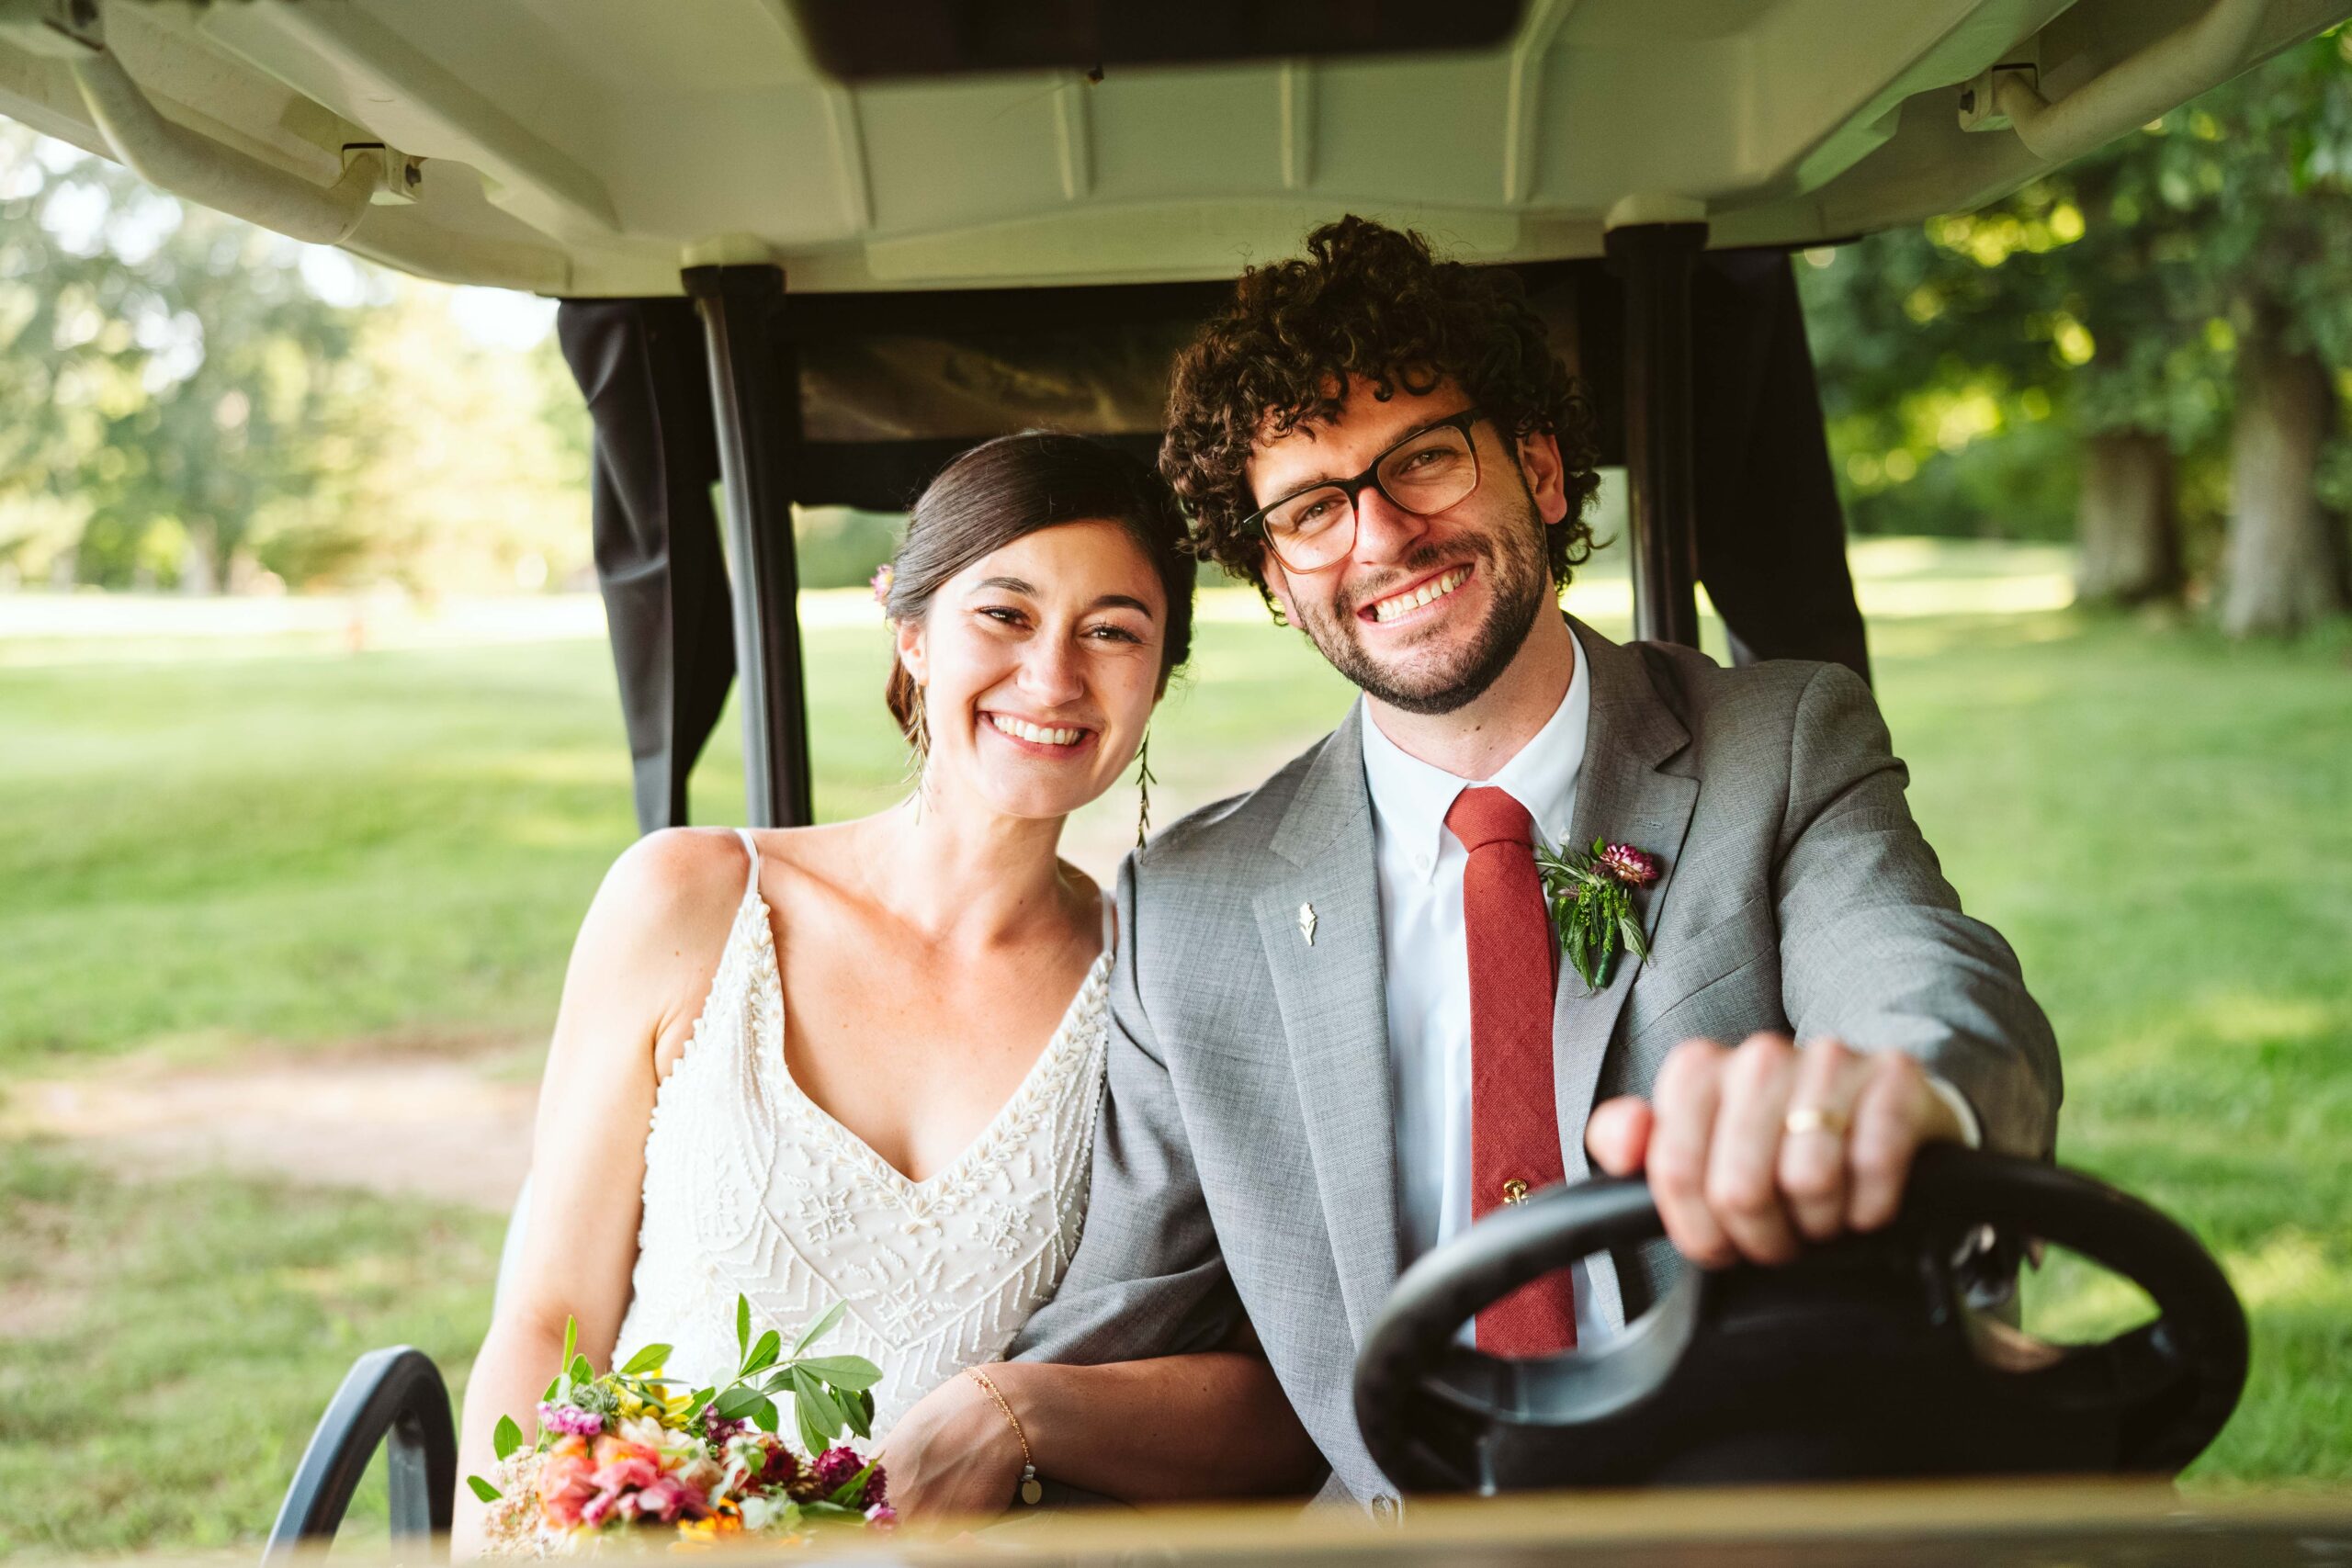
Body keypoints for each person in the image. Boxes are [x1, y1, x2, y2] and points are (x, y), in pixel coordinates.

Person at [1002, 218, 2064, 1508]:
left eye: (1426, 460)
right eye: (1312, 512)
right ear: (1278, 583)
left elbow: (1929, 986)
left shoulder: (1778, 746)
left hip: (1763, 1510)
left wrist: (1905, 1105)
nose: (1381, 536)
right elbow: (1124, 1323)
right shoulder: (1188, 907)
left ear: (1544, 471)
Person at [451, 433, 1321, 1554]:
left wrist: (1027, 1414)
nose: (1052, 677)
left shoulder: (1153, 992)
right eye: (1003, 615)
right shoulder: (687, 902)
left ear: (1158, 676)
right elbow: (543, 1322)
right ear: (909, 631)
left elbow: (1283, 1391)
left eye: (1112, 631)